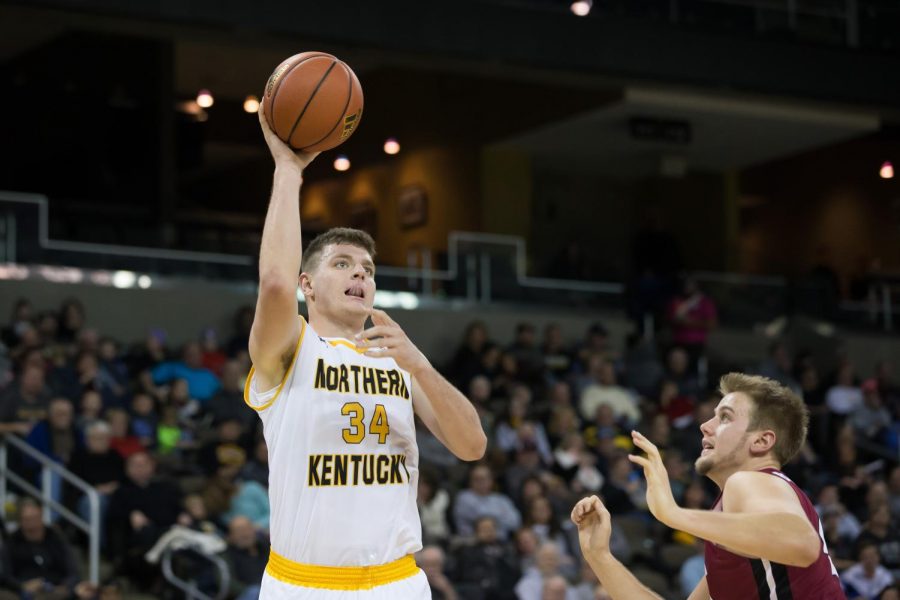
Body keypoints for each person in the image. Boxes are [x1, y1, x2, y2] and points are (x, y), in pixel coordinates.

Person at [244, 105, 486, 598]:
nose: (361, 274)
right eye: (343, 264)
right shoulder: (292, 347)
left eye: (369, 269)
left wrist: (420, 365)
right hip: (304, 585)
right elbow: (273, 284)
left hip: (397, 582)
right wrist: (288, 170)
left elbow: (472, 447)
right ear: (306, 284)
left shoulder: (399, 358)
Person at [571, 372, 846, 599]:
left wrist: (672, 513)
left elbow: (802, 543)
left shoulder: (753, 480)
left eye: (725, 417)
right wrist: (599, 556)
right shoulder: (735, 533)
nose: (705, 425)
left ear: (761, 442)